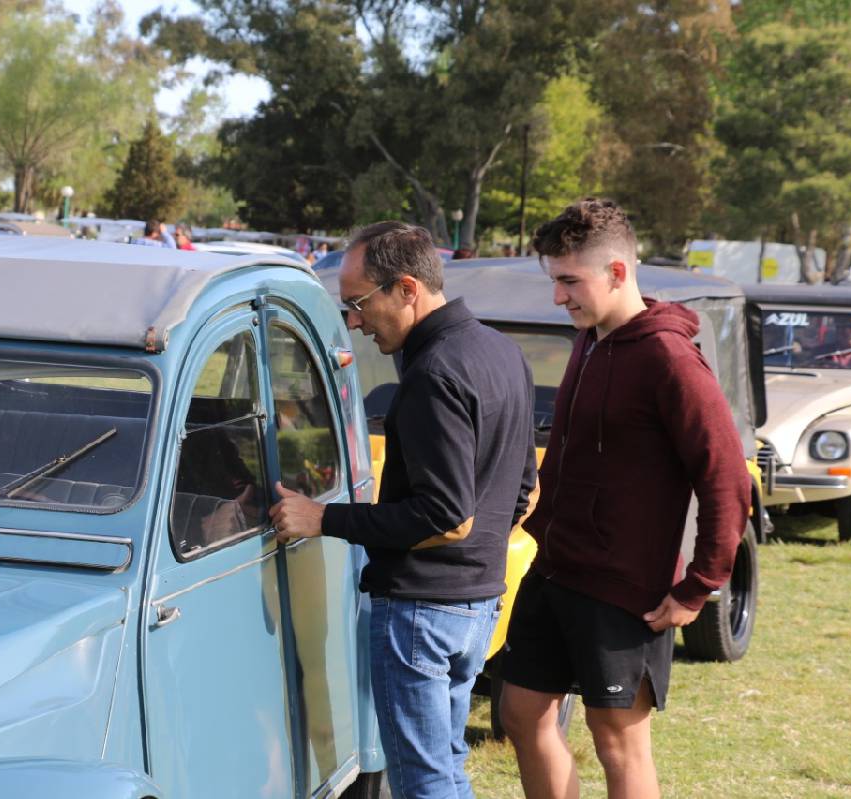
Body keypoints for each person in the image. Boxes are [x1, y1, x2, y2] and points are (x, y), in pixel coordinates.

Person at [269, 220, 536, 799]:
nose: (356, 323)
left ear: (407, 288)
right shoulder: (503, 351)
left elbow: (445, 514)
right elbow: (522, 490)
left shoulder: (432, 374)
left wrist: (324, 519)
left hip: (424, 613)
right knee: (444, 765)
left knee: (424, 780)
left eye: (359, 305)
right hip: (479, 603)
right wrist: (474, 556)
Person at [498, 198, 751, 799]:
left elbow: (726, 478)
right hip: (556, 569)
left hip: (624, 589)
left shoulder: (668, 356)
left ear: (617, 272)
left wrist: (700, 585)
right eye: (554, 280)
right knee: (520, 714)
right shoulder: (591, 338)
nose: (559, 297)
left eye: (569, 281)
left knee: (617, 742)